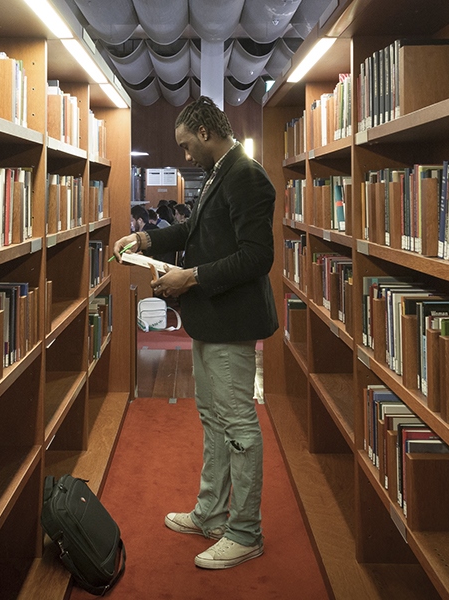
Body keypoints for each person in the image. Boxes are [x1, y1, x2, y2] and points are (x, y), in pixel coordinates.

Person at [112, 96, 277, 570]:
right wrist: (144, 239)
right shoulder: (220, 173)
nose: (185, 156)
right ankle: (211, 513)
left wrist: (193, 278)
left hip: (232, 322)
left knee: (238, 423)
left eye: (186, 145)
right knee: (212, 419)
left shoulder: (245, 176)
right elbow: (194, 233)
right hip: (212, 320)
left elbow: (256, 257)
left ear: (205, 132)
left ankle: (245, 532)